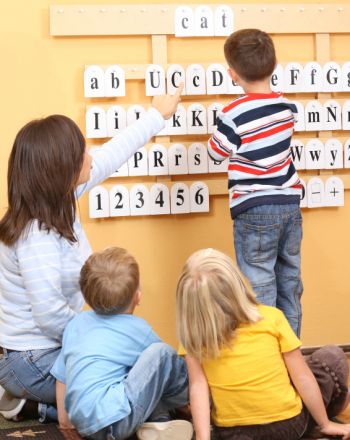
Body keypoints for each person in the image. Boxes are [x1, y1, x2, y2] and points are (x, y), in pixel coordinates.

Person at [0, 85, 183, 423]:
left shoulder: (62, 198)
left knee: (132, 368)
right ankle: (44, 406)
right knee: (126, 374)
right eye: (82, 151)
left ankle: (35, 406)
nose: (90, 156)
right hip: (34, 359)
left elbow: (114, 154)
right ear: (61, 170)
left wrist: (157, 115)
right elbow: (50, 317)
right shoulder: (34, 237)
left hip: (57, 347)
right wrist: (106, 336)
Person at [176, 248, 350, 440]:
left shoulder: (192, 339)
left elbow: (198, 387)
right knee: (331, 356)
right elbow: (302, 378)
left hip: (233, 433)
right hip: (290, 426)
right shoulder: (271, 318)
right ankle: (320, 424)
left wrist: (203, 438)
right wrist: (326, 424)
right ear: (239, 285)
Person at [208, 29, 303, 336]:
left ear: (232, 74)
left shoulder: (233, 113)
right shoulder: (287, 108)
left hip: (254, 209)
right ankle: (291, 356)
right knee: (289, 284)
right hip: (289, 205)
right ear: (274, 66)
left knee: (259, 289)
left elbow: (215, 152)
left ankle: (266, 360)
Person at [51, 246, 193, 440]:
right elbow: (162, 371)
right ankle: (190, 400)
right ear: (138, 297)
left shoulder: (76, 323)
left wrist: (64, 422)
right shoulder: (138, 329)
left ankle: (159, 423)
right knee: (163, 354)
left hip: (83, 424)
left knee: (129, 375)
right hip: (115, 422)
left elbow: (62, 377)